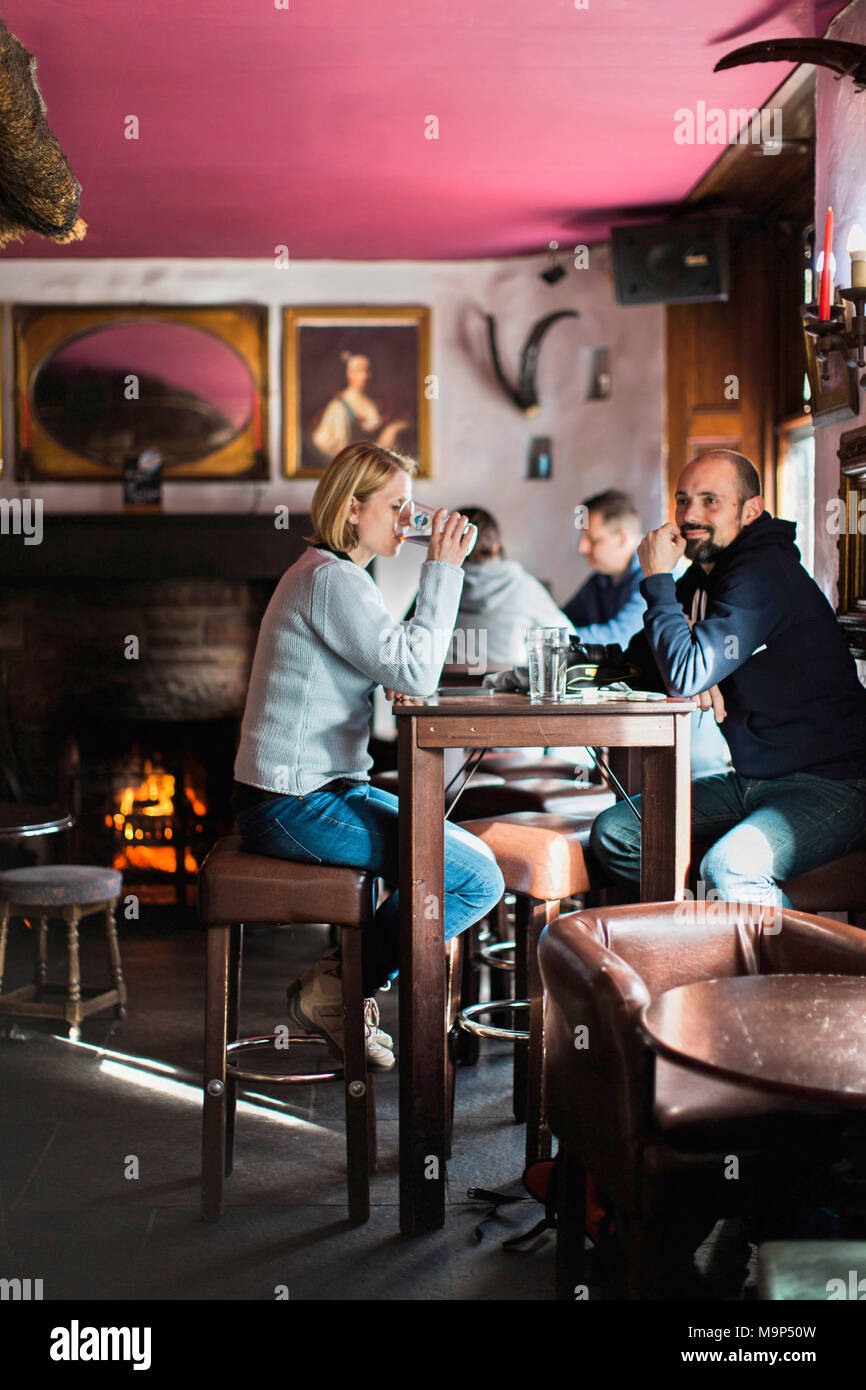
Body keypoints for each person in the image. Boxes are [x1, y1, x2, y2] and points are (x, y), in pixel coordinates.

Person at [232, 442, 505, 1070]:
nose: (408, 519)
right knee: (474, 877)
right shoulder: (330, 580)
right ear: (353, 510)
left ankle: (339, 987)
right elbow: (418, 670)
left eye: (412, 506)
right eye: (396, 506)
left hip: (316, 792)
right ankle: (342, 989)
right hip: (291, 804)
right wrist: (442, 566)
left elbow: (402, 666)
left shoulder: (335, 577)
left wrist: (399, 665)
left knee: (468, 867)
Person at [590, 449, 866, 906]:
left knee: (727, 869)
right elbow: (646, 664)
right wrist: (568, 666)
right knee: (617, 832)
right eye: (682, 500)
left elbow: (682, 672)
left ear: (750, 510)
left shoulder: (763, 574)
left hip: (833, 783)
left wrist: (658, 579)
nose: (690, 515)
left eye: (710, 501)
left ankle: (791, 966)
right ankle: (705, 941)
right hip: (751, 778)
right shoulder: (702, 579)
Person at [448, 507, 576, 666]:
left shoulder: (439, 585)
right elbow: (568, 638)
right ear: (495, 546)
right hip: (507, 685)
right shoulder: (524, 586)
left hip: (446, 686)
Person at [563, 489, 645, 648]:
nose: (581, 548)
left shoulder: (656, 576)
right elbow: (563, 619)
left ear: (622, 539)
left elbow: (622, 637)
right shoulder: (602, 578)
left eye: (592, 540)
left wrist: (551, 638)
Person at [310, 352, 410, 462]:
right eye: (359, 370)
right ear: (349, 374)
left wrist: (393, 428)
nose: (366, 375)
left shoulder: (376, 403)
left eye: (367, 370)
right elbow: (326, 446)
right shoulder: (338, 406)